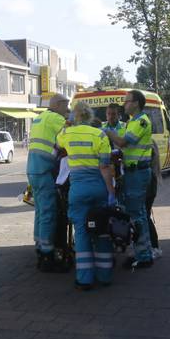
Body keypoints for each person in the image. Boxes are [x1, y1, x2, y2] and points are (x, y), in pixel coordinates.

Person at [56, 101, 116, 290]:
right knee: (101, 230)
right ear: (90, 116)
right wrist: (111, 193)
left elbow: (57, 145)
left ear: (74, 116)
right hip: (98, 188)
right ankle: (105, 276)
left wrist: (67, 125)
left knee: (81, 232)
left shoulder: (66, 134)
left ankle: (84, 279)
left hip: (78, 190)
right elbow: (105, 167)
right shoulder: (100, 134)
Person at [105, 90, 154, 269]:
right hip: (133, 172)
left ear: (136, 103)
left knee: (137, 214)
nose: (124, 105)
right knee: (138, 212)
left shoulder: (141, 121)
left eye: (126, 102)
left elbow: (124, 143)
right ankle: (143, 252)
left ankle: (144, 255)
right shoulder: (131, 122)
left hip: (137, 173)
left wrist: (107, 133)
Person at [27, 93, 69, 272]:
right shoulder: (55, 118)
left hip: (33, 169)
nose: (67, 111)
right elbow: (71, 136)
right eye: (66, 107)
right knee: (48, 212)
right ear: (58, 105)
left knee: (40, 211)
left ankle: (39, 246)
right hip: (44, 170)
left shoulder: (39, 118)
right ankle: (47, 255)